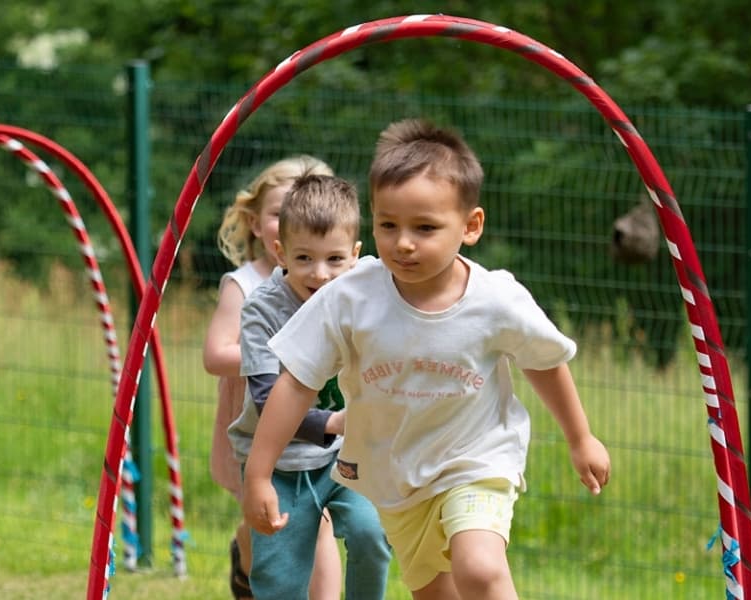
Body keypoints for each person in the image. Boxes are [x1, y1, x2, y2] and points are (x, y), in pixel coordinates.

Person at [242, 119, 611, 600]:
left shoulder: (496, 299)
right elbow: (295, 384)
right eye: (387, 225)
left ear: (471, 226)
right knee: (437, 593)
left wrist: (580, 437)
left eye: (425, 227)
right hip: (397, 478)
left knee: (478, 567)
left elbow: (542, 360)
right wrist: (258, 472)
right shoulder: (349, 298)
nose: (403, 242)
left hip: (475, 460)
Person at [228, 173, 390, 600]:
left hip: (345, 459)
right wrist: (335, 421)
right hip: (278, 465)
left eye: (335, 259)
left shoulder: (367, 286)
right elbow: (267, 399)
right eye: (304, 259)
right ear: (279, 251)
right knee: (281, 582)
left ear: (355, 256)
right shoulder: (262, 310)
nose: (320, 274)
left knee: (372, 533)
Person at [205, 155, 342, 599]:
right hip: (254, 420)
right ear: (255, 221)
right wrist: (279, 349)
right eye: (279, 214)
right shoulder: (244, 284)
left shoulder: (331, 276)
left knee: (320, 525)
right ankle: (246, 563)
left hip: (318, 428)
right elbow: (214, 354)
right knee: (264, 522)